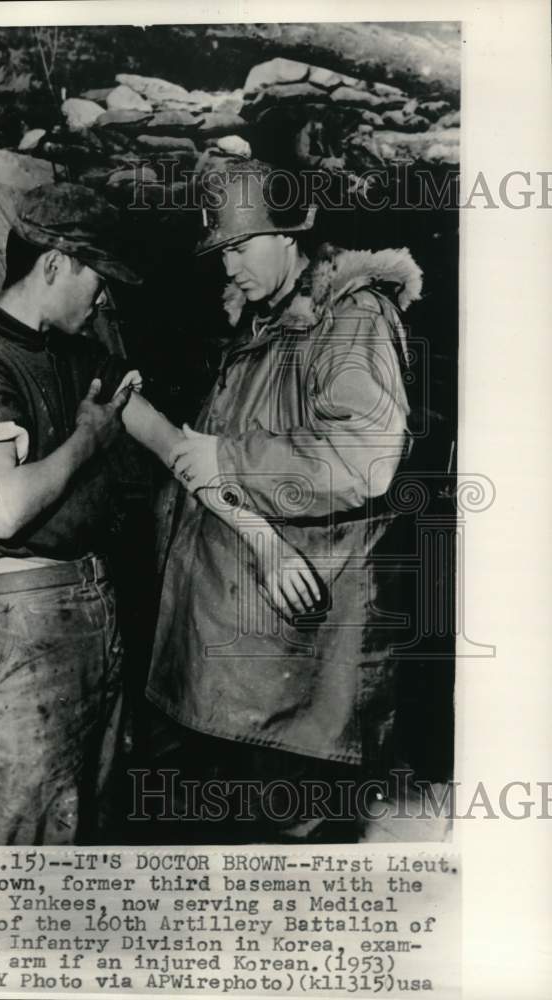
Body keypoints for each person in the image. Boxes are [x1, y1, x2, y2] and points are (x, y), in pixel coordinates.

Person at [0, 180, 315, 846]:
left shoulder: (88, 358)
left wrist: (263, 541)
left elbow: (181, 451)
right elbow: (4, 509)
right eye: (99, 278)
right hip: (23, 624)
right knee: (31, 841)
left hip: (95, 614)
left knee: (95, 832)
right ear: (55, 264)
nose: (105, 297)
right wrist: (87, 440)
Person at [144, 159, 423, 842]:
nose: (228, 266)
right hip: (236, 670)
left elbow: (364, 456)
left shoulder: (351, 321)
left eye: (241, 246)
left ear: (292, 236)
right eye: (221, 252)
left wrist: (230, 458)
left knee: (280, 862)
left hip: (292, 687)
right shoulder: (267, 322)